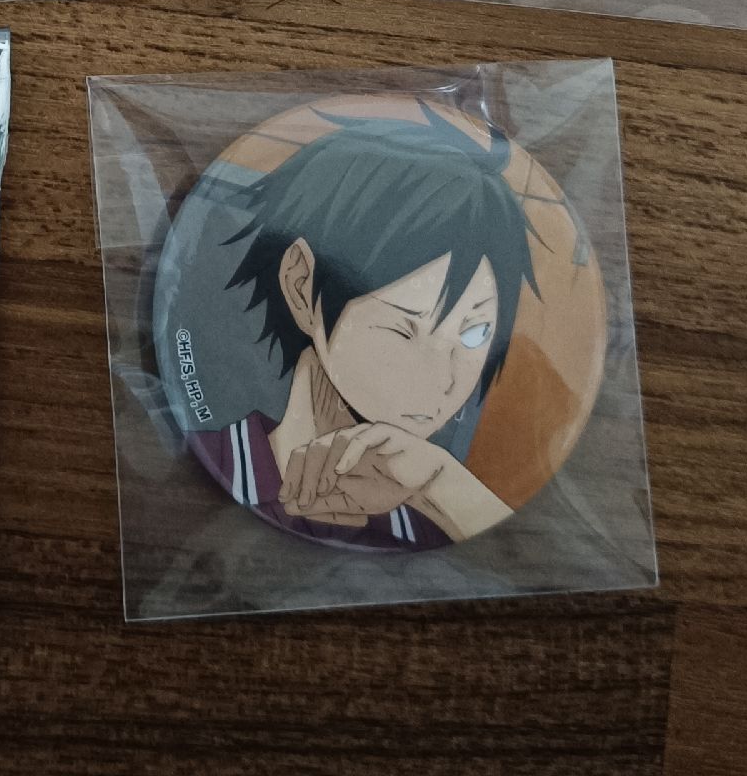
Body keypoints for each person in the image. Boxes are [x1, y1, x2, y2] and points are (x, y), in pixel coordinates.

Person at [191, 107, 539, 549]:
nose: (445, 380)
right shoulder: (205, 469)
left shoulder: (441, 519)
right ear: (301, 285)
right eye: (404, 329)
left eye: (474, 334)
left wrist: (443, 485)